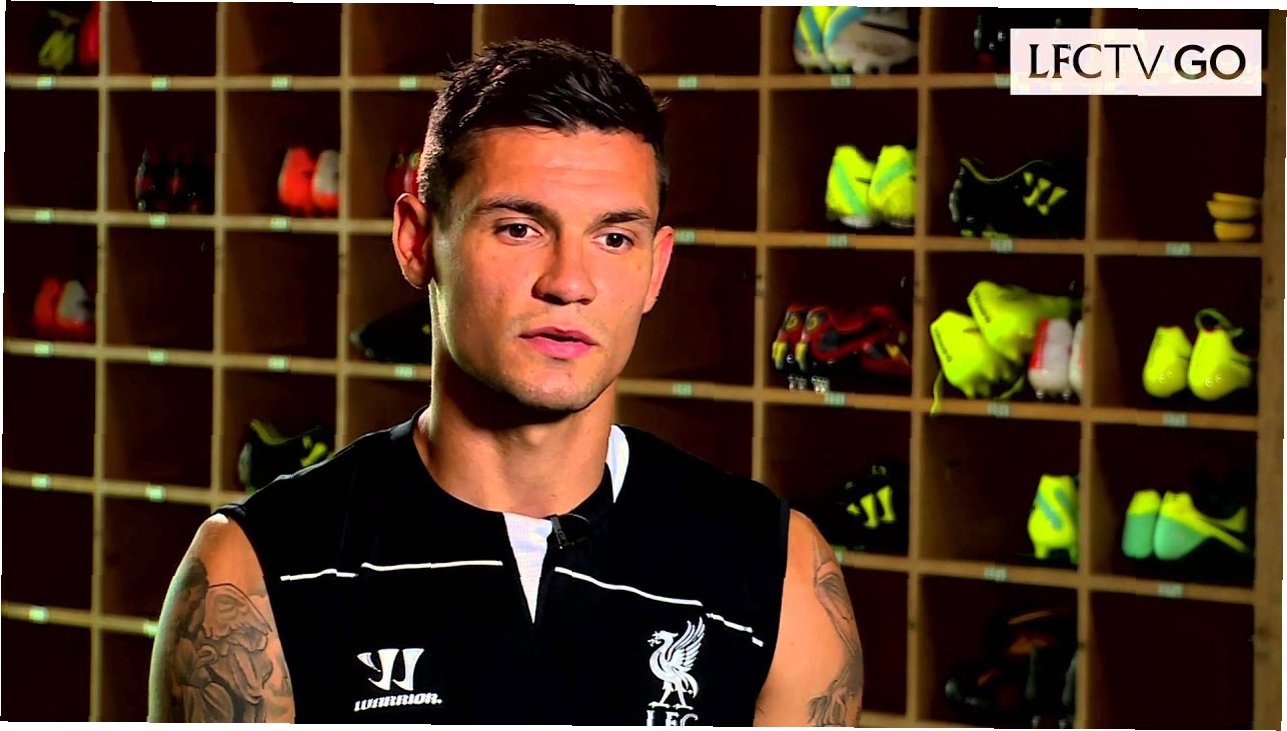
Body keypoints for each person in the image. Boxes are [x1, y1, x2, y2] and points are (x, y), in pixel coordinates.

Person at [147, 38, 863, 726]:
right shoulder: (260, 572)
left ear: (656, 266)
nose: (570, 282)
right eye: (520, 228)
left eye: (614, 238)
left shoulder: (775, 571)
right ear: (416, 241)